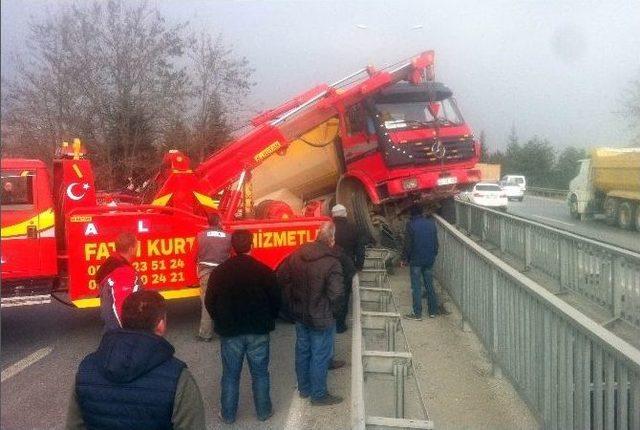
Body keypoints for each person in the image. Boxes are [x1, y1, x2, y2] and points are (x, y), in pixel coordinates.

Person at [66, 290, 206, 430]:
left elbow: (73, 426)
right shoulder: (179, 378)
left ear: (121, 320)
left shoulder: (86, 370)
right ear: (161, 325)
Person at [205, 229, 280, 424]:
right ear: (252, 246)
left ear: (232, 248)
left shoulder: (219, 273)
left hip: (230, 332)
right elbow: (276, 300)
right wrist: (268, 318)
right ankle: (264, 412)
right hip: (258, 330)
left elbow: (209, 302)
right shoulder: (264, 271)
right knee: (260, 373)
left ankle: (228, 415)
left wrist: (220, 320)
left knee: (230, 375)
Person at [277, 221, 344, 406]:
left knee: (303, 352)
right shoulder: (332, 262)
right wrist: (334, 313)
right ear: (331, 240)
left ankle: (304, 389)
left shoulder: (297, 255)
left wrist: (292, 301)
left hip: (300, 314)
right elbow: (337, 293)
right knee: (320, 355)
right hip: (322, 317)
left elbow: (281, 278)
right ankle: (319, 395)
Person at [96, 232, 142, 331]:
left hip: (111, 332)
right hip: (121, 335)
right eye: (136, 246)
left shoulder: (110, 265)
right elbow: (120, 309)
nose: (138, 248)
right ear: (131, 249)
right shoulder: (123, 273)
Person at [196, 213, 231, 341]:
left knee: (207, 303)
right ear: (219, 222)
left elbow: (194, 255)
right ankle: (227, 331)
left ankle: (205, 334)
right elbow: (232, 255)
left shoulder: (200, 236)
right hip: (223, 273)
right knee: (224, 302)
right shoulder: (228, 237)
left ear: (208, 222)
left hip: (206, 272)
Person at [331, 204, 365, 333]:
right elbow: (360, 248)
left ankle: (330, 320)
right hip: (347, 266)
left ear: (333, 215)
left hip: (330, 265)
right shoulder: (354, 228)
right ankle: (340, 325)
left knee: (330, 292)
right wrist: (359, 265)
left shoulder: (329, 228)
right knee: (344, 295)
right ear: (345, 214)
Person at [403, 204, 441, 320]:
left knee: (416, 287)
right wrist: (433, 254)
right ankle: (433, 311)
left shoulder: (410, 225)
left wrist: (404, 259)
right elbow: (436, 243)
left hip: (416, 261)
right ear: (421, 212)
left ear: (411, 214)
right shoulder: (431, 224)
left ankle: (417, 313)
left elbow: (408, 245)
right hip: (429, 260)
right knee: (429, 285)